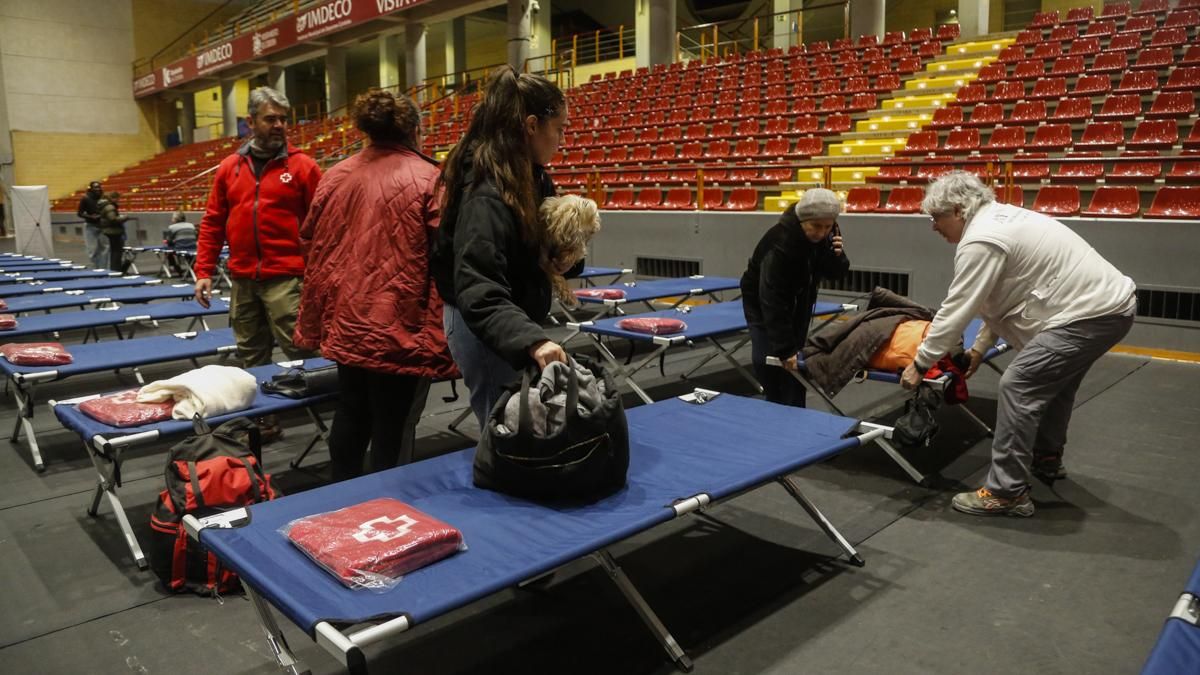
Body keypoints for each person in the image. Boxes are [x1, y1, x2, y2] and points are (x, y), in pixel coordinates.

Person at [901, 172, 1136, 518]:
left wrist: (921, 362)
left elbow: (958, 307)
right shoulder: (1003, 217)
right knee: (1056, 386)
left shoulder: (982, 238)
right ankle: (1046, 459)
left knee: (1018, 385)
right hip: (1111, 309)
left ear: (958, 209)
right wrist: (978, 350)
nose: (933, 227)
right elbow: (996, 300)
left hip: (1088, 314)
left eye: (936, 218)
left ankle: (1005, 492)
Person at [294, 89, 457, 481]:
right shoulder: (431, 179)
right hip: (400, 324)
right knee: (394, 426)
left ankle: (339, 498)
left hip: (346, 319)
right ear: (416, 130)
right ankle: (386, 510)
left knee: (351, 412)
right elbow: (448, 253)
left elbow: (310, 240)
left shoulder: (335, 175)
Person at [431, 67, 575, 430]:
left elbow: (540, 242)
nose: (562, 139)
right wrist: (533, 341)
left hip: (507, 323)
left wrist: (566, 258)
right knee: (505, 433)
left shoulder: (530, 173)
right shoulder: (486, 191)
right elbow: (478, 287)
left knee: (516, 429)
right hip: (486, 328)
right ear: (530, 125)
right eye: (558, 129)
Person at [194, 86, 321, 439]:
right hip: (244, 277)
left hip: (289, 276)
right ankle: (266, 416)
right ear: (250, 122)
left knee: (301, 345)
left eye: (283, 119)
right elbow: (213, 220)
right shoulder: (229, 168)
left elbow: (322, 223)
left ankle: (325, 402)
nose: (279, 125)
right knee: (251, 349)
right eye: (271, 119)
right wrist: (204, 270)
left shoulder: (303, 167)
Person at [741, 189, 849, 407]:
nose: (822, 232)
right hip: (762, 305)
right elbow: (771, 299)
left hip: (799, 302)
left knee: (796, 367)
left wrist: (837, 256)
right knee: (769, 358)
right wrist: (785, 349)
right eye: (816, 226)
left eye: (828, 227)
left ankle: (794, 410)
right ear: (802, 220)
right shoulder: (780, 243)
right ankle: (773, 405)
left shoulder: (823, 238)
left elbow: (834, 273)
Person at [76, 181, 109, 269]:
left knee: (105, 248)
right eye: (95, 187)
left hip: (103, 226)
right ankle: (96, 268)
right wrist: (90, 216)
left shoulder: (104, 197)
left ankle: (104, 268)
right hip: (91, 226)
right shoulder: (85, 198)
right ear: (90, 188)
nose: (97, 189)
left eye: (99, 187)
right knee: (92, 249)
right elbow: (79, 213)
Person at [95, 192, 129, 271]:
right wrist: (125, 217)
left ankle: (114, 270)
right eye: (118, 199)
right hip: (113, 232)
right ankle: (116, 270)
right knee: (116, 252)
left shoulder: (103, 205)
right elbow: (113, 219)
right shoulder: (109, 206)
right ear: (113, 198)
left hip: (108, 231)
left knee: (113, 252)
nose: (118, 200)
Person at [165, 211, 196, 277]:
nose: (171, 219)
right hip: (193, 248)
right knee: (189, 252)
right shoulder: (191, 225)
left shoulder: (171, 227)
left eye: (172, 218)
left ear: (176, 219)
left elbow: (169, 241)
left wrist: (170, 242)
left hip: (180, 248)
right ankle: (192, 267)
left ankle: (177, 269)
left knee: (168, 252)